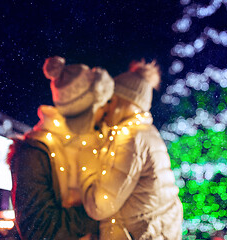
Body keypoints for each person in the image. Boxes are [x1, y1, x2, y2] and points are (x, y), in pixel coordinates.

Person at [8, 56, 114, 239]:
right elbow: (39, 229)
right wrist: (104, 212)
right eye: (101, 104)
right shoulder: (35, 150)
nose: (106, 110)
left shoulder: (98, 143)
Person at [78, 60, 183, 239]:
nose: (106, 108)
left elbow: (100, 206)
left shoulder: (130, 137)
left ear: (124, 101)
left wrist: (85, 166)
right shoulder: (146, 133)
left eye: (110, 100)